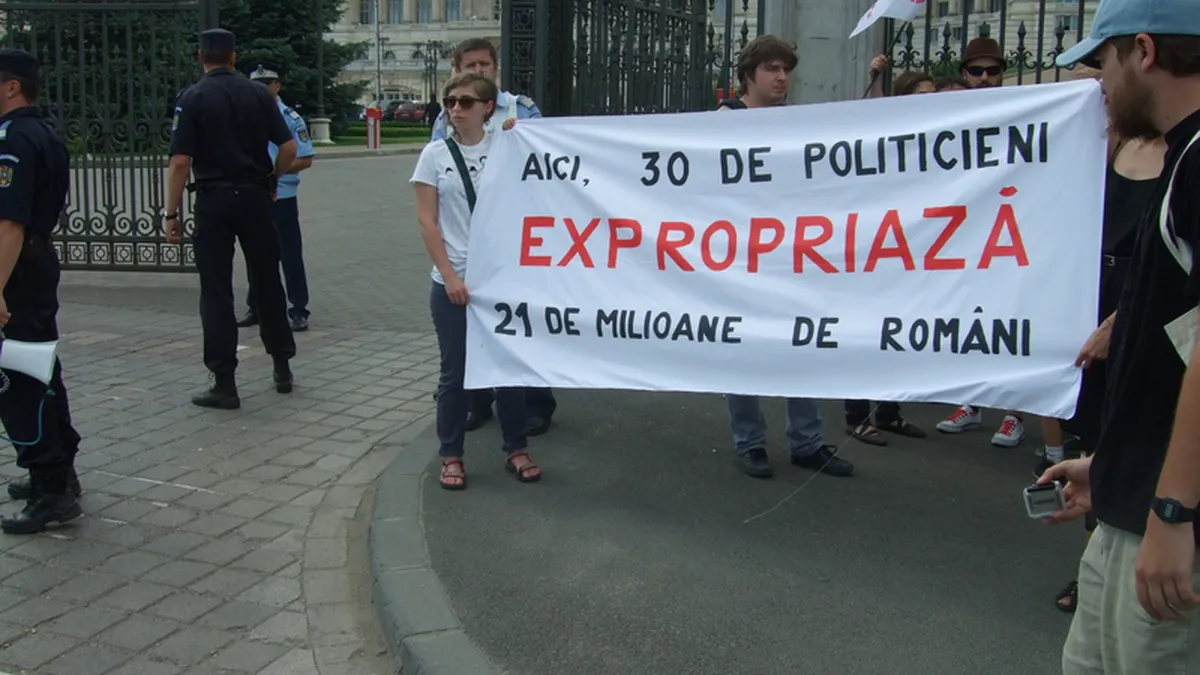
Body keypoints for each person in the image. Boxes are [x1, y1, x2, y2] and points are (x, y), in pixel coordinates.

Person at [1040, 1, 1200, 671]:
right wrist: (1110, 468)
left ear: (1144, 51)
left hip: (1164, 524)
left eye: (1102, 61)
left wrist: (1172, 506)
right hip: (1127, 502)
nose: (1098, 82)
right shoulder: (1181, 159)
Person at [716, 35, 853, 479]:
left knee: (802, 346)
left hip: (790, 256)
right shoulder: (721, 122)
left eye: (786, 70)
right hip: (738, 257)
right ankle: (750, 442)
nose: (781, 78)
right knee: (743, 349)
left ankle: (807, 442)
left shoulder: (794, 124)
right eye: (772, 69)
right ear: (748, 74)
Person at [412, 71, 539, 490]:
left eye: (466, 102)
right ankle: (451, 454)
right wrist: (449, 275)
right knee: (455, 373)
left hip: (501, 279)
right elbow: (428, 222)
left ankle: (516, 449)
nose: (456, 109)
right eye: (450, 101)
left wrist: (521, 134)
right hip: (454, 281)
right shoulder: (434, 154)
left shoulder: (508, 146)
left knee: (509, 370)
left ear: (488, 108)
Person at [430, 36, 556, 436]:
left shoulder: (522, 109)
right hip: (467, 237)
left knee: (520, 326)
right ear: (458, 68)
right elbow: (440, 165)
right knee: (469, 326)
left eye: (486, 64)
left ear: (495, 67)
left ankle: (535, 404)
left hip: (511, 241)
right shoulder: (448, 112)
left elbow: (545, 158)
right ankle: (476, 401)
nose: (479, 70)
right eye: (471, 65)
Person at [166, 29, 298, 410]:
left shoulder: (192, 98)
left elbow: (180, 162)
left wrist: (171, 212)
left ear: (200, 56)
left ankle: (224, 381)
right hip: (256, 195)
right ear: (234, 57)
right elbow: (288, 147)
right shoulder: (259, 93)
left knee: (216, 288)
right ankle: (282, 366)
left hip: (213, 199)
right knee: (267, 279)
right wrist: (272, 178)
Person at [0, 48, 83, 534]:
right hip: (34, 264)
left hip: (17, 272)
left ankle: (50, 487)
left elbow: (9, 223)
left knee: (17, 381)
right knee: (42, 370)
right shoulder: (43, 132)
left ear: (12, 87)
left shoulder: (13, 140)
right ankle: (61, 471)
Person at [235, 60, 315, 333]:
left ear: (277, 86)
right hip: (253, 193)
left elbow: (305, 158)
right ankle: (256, 306)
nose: (260, 90)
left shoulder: (290, 118)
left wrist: (274, 172)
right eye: (255, 85)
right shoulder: (243, 115)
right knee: (255, 252)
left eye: (266, 85)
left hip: (282, 195)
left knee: (289, 254)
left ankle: (298, 309)